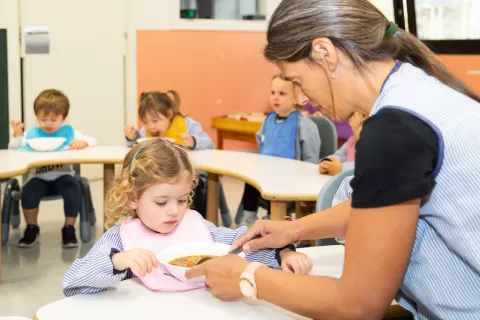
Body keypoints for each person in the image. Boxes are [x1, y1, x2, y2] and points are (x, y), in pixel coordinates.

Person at [184, 1, 480, 319]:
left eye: (296, 81)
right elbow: (379, 209)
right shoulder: (420, 88)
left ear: (326, 53)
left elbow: (358, 305)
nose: (302, 99)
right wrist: (294, 230)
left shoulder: (394, 131)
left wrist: (247, 278)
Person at [62, 139, 312, 297]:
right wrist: (118, 261)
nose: (175, 211)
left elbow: (242, 244)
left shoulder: (194, 225)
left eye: (182, 200)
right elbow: (73, 283)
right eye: (162, 202)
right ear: (132, 198)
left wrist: (284, 253)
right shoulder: (119, 240)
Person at [123, 91, 231, 227]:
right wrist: (132, 137)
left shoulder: (188, 124)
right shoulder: (147, 132)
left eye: (155, 121)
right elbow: (136, 147)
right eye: (146, 122)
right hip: (163, 176)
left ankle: (197, 223)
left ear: (169, 113)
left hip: (192, 173)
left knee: (197, 188)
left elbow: (209, 143)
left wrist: (193, 141)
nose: (151, 126)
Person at [8, 89, 97, 248]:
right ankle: (32, 227)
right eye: (43, 119)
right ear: (36, 117)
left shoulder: (70, 132)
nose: (48, 123)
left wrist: (83, 143)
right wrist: (17, 133)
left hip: (63, 175)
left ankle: (68, 228)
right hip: (39, 178)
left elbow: (92, 140)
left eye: (54, 119)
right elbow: (14, 148)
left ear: (64, 118)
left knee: (73, 188)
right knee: (28, 191)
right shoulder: (32, 133)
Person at [236, 74, 321, 226]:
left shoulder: (304, 125)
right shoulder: (268, 120)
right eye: (272, 93)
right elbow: (260, 140)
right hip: (268, 173)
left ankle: (273, 216)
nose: (275, 97)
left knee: (273, 182)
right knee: (251, 180)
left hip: (291, 178)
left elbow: (311, 159)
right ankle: (248, 219)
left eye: (282, 94)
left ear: (296, 98)